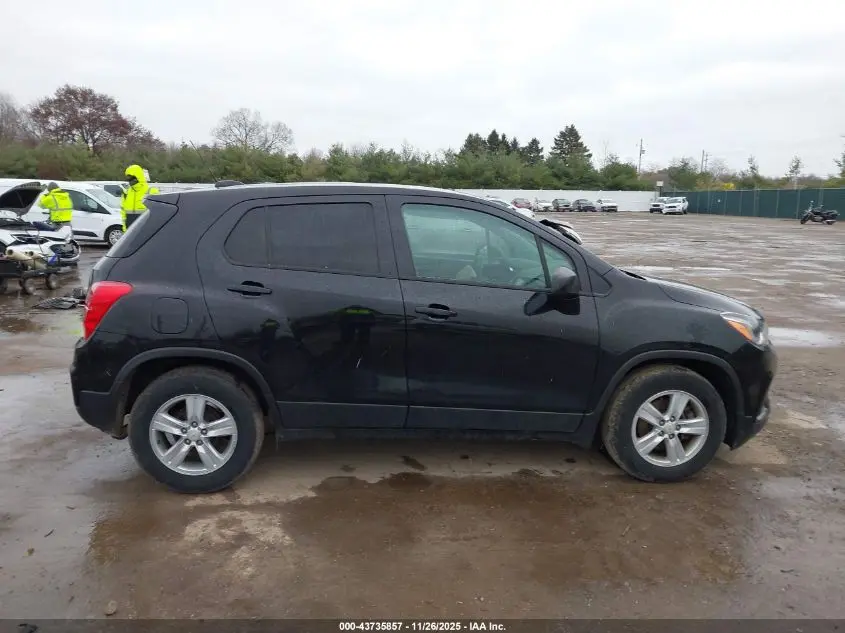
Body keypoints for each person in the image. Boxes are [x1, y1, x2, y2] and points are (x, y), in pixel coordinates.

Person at [120, 164, 160, 230]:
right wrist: (125, 229)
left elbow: (157, 212)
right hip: (130, 230)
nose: (129, 181)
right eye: (128, 178)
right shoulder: (126, 193)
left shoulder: (151, 191)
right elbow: (123, 213)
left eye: (131, 178)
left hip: (147, 229)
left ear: (138, 177)